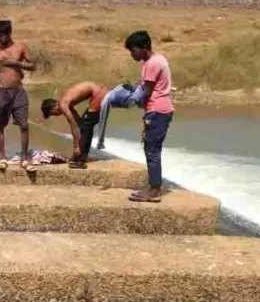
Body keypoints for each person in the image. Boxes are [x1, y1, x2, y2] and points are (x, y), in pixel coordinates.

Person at [41, 82, 144, 168]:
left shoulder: (63, 105)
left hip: (99, 95)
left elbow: (74, 126)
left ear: (53, 108)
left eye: (52, 114)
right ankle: (82, 156)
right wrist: (82, 126)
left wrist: (76, 146)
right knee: (86, 124)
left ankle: (80, 160)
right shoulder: (66, 101)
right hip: (99, 93)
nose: (56, 115)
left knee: (87, 125)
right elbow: (78, 121)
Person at [125, 30, 174, 203]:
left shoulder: (151, 65)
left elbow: (146, 92)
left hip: (156, 110)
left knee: (151, 150)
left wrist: (134, 99)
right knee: (153, 148)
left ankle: (154, 190)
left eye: (133, 50)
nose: (132, 54)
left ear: (144, 47)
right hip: (164, 109)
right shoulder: (160, 59)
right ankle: (153, 185)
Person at [0, 20, 36, 172]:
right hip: (2, 91)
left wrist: (16, 63)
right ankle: (3, 157)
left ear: (9, 33)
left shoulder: (20, 47)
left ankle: (24, 159)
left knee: (24, 125)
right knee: (0, 126)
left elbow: (33, 65)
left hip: (18, 91)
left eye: (1, 36)